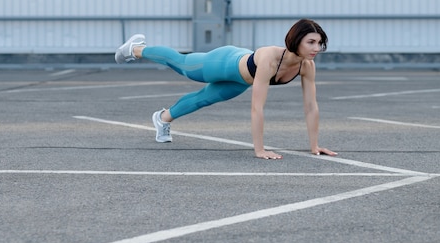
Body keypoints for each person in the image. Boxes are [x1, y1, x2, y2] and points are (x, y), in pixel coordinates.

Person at [114, 18, 337, 160]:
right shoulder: (271, 58)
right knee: (182, 65)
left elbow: (310, 107)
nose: (316, 48)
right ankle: (136, 49)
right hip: (223, 62)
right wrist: (259, 150)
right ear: (296, 39)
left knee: (204, 99)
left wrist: (315, 146)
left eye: (319, 43)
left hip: (240, 81)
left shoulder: (307, 66)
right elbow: (257, 108)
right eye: (311, 42)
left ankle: (162, 118)